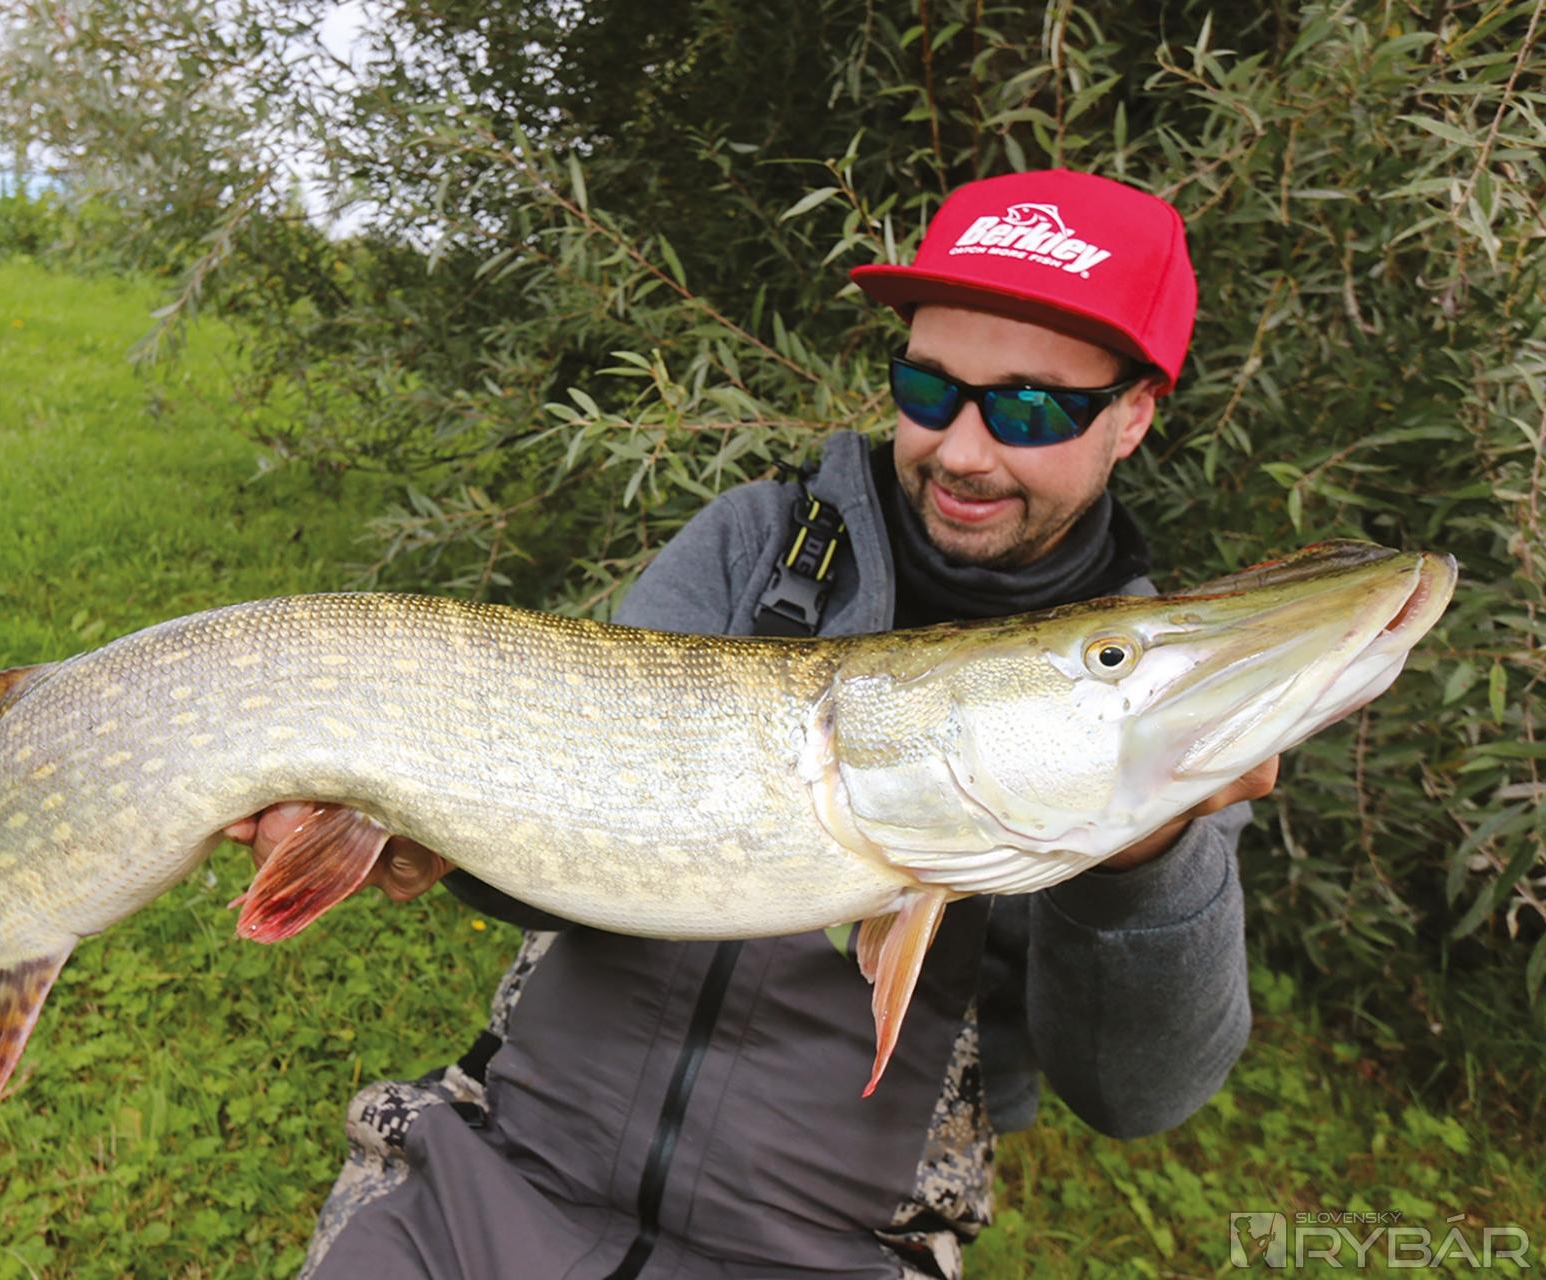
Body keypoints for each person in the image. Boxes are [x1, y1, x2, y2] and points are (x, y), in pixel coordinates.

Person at [224, 169, 1278, 1279]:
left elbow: (1133, 1094)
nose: (964, 451)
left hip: (833, 1247)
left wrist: (1149, 863)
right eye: (927, 388)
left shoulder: (1148, 691)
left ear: (1132, 415)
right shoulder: (761, 546)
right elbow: (556, 849)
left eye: (1031, 408)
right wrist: (424, 833)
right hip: (509, 1159)